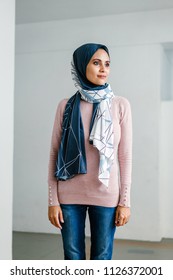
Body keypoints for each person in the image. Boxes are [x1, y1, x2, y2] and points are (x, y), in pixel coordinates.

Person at [48, 43, 132, 260]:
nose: (103, 69)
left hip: (106, 194)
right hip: (69, 195)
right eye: (96, 63)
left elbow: (125, 156)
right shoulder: (65, 106)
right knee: (72, 257)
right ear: (81, 66)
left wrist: (125, 202)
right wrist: (53, 201)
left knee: (102, 258)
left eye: (107, 64)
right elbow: (54, 153)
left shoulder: (120, 105)